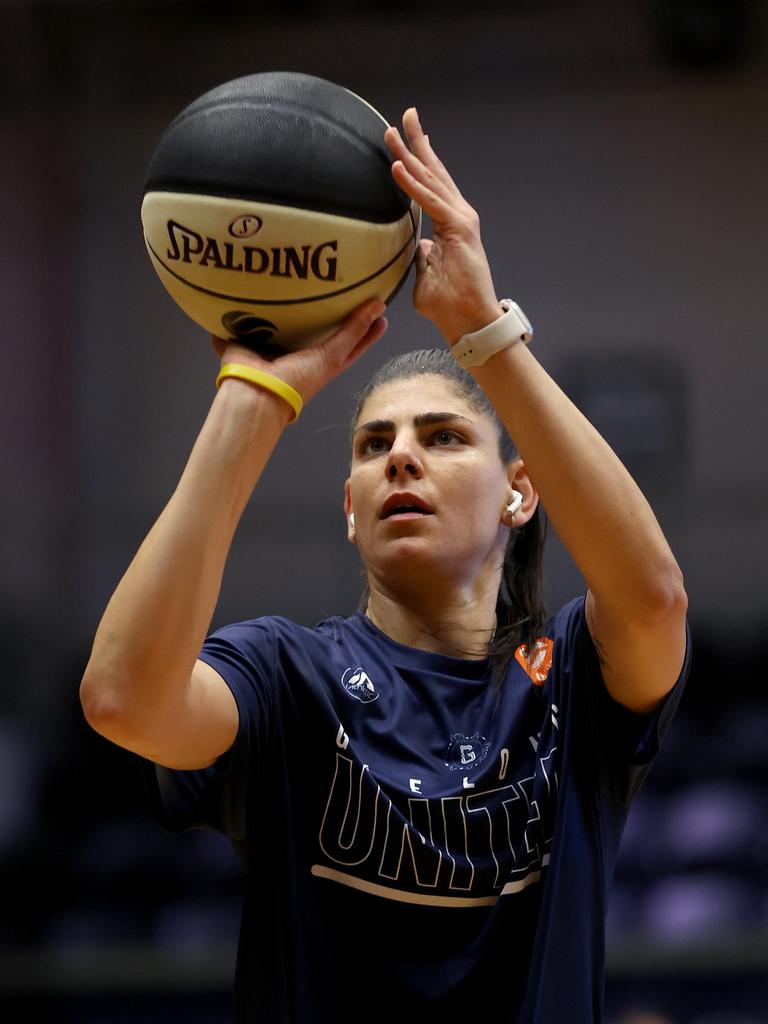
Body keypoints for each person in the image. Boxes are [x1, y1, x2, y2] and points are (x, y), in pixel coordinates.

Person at [80, 107, 690, 1022]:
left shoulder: (568, 681)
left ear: (520, 496)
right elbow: (123, 698)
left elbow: (652, 598)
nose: (400, 457)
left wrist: (483, 330)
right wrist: (254, 399)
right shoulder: (288, 676)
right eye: (372, 446)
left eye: (443, 437)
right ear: (351, 511)